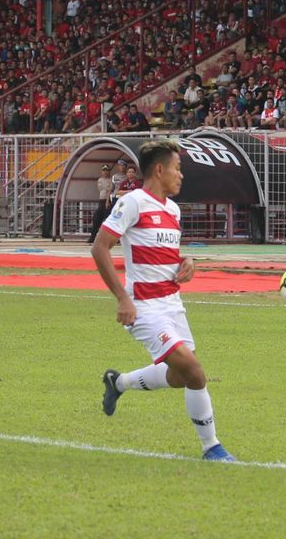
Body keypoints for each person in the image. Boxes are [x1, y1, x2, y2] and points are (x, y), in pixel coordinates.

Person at [91, 139, 235, 462]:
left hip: (173, 304)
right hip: (144, 308)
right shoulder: (133, 203)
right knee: (195, 372)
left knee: (180, 375)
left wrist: (187, 262)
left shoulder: (173, 209)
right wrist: (122, 298)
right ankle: (212, 447)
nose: (181, 175)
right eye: (178, 168)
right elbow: (100, 247)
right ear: (159, 169)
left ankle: (119, 382)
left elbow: (164, 254)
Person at [87, 164, 113, 244]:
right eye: (104, 170)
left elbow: (109, 191)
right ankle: (93, 236)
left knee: (107, 220)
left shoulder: (111, 180)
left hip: (108, 200)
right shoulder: (100, 180)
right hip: (101, 200)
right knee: (96, 218)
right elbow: (100, 190)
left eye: (107, 170)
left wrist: (107, 201)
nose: (105, 172)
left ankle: (108, 238)